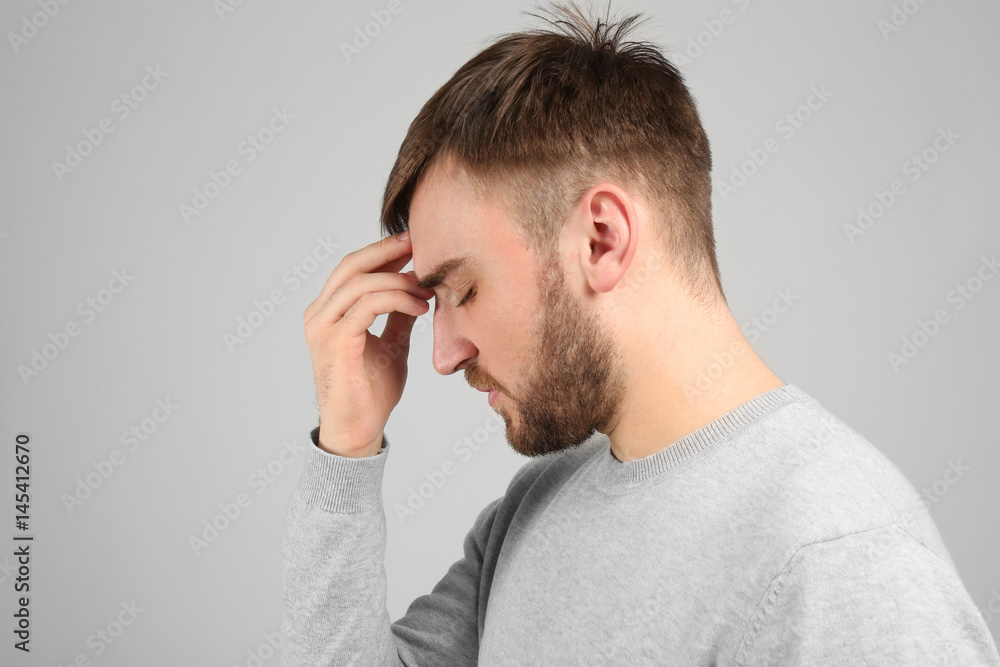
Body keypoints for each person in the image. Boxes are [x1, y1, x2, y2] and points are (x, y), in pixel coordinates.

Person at [281, 2, 1000, 664]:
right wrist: (346, 450)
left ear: (600, 238)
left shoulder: (840, 565)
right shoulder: (530, 511)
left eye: (463, 290)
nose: (442, 355)